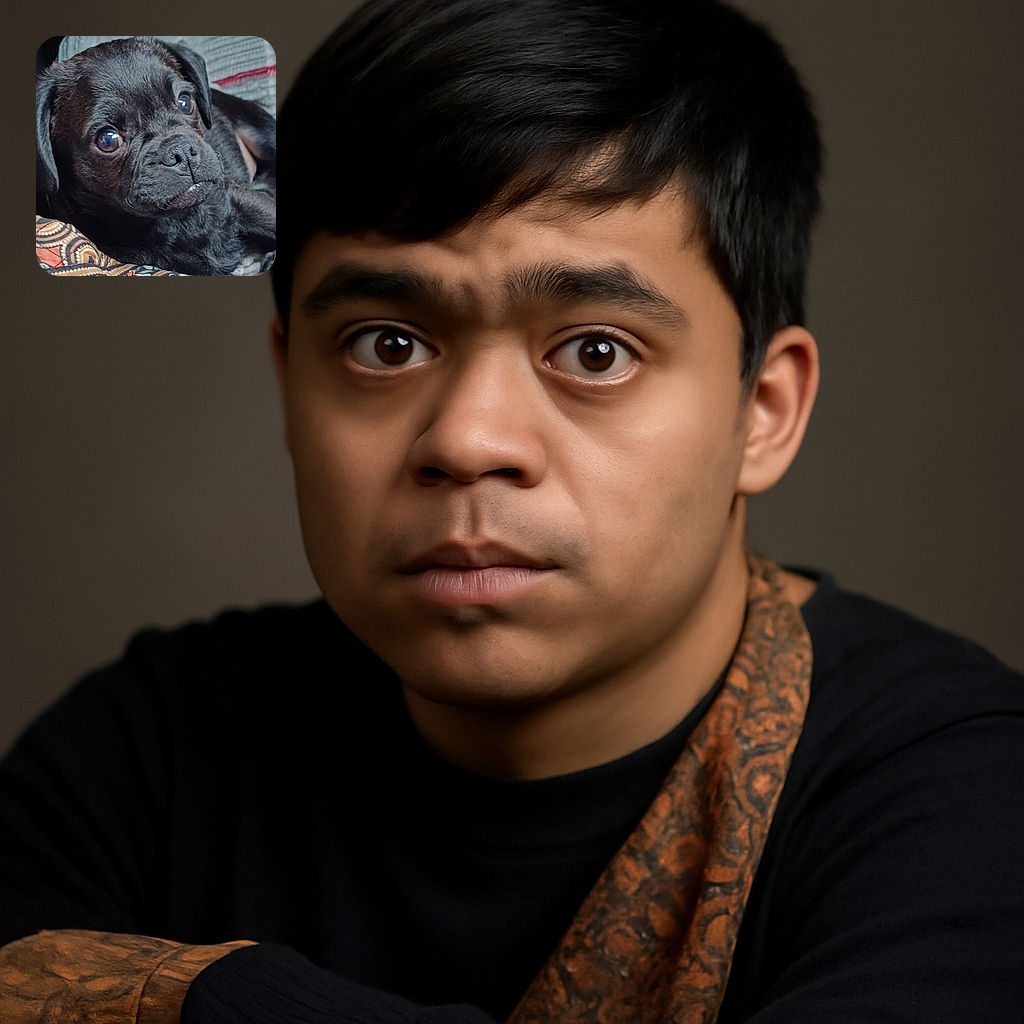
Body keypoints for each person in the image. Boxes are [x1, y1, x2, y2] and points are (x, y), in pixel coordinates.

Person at [2, 0, 1022, 1021]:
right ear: (291, 387)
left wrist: (197, 994)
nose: (467, 440)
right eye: (386, 344)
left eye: (594, 351)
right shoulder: (143, 759)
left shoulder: (964, 794)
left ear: (763, 409)